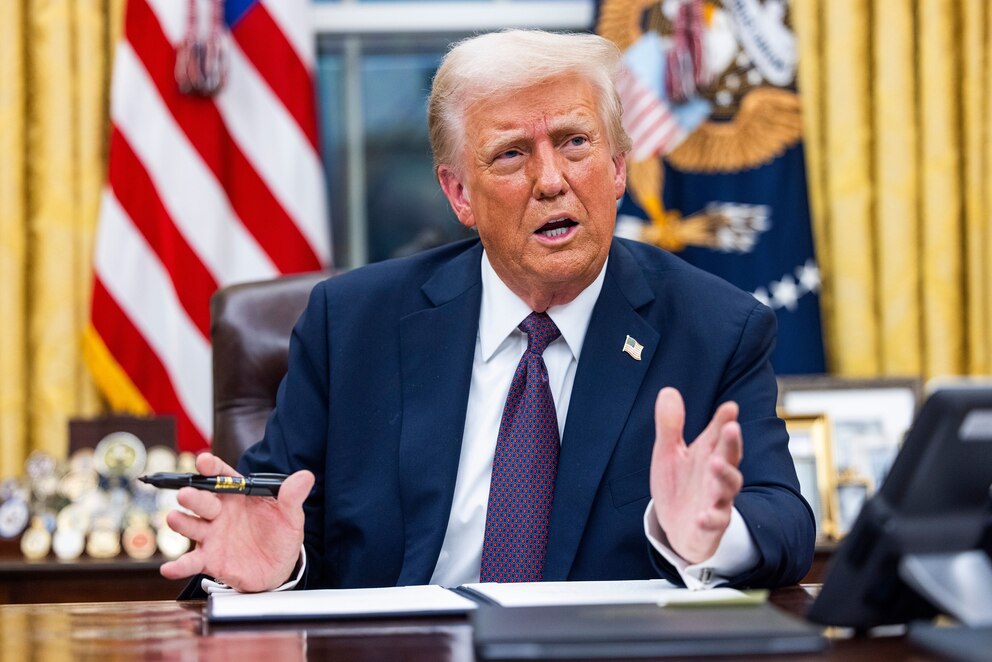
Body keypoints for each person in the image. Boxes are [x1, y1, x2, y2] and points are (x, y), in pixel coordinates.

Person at [162, 30, 814, 595]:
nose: (551, 180)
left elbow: (785, 521)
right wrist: (281, 568)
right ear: (458, 194)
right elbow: (267, 523)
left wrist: (710, 534)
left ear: (618, 168)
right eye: (511, 153)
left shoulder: (716, 328)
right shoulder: (350, 325)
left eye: (575, 143)